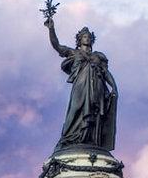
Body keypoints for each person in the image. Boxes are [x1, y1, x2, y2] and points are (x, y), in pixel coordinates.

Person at [44, 16, 118, 152]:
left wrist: (114, 86)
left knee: (95, 114)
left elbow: (106, 73)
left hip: (97, 88)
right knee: (75, 110)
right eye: (84, 37)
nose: (87, 38)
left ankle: (90, 140)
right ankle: (68, 138)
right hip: (80, 86)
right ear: (79, 40)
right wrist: (51, 29)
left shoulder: (98, 56)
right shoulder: (74, 52)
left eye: (89, 37)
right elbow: (57, 46)